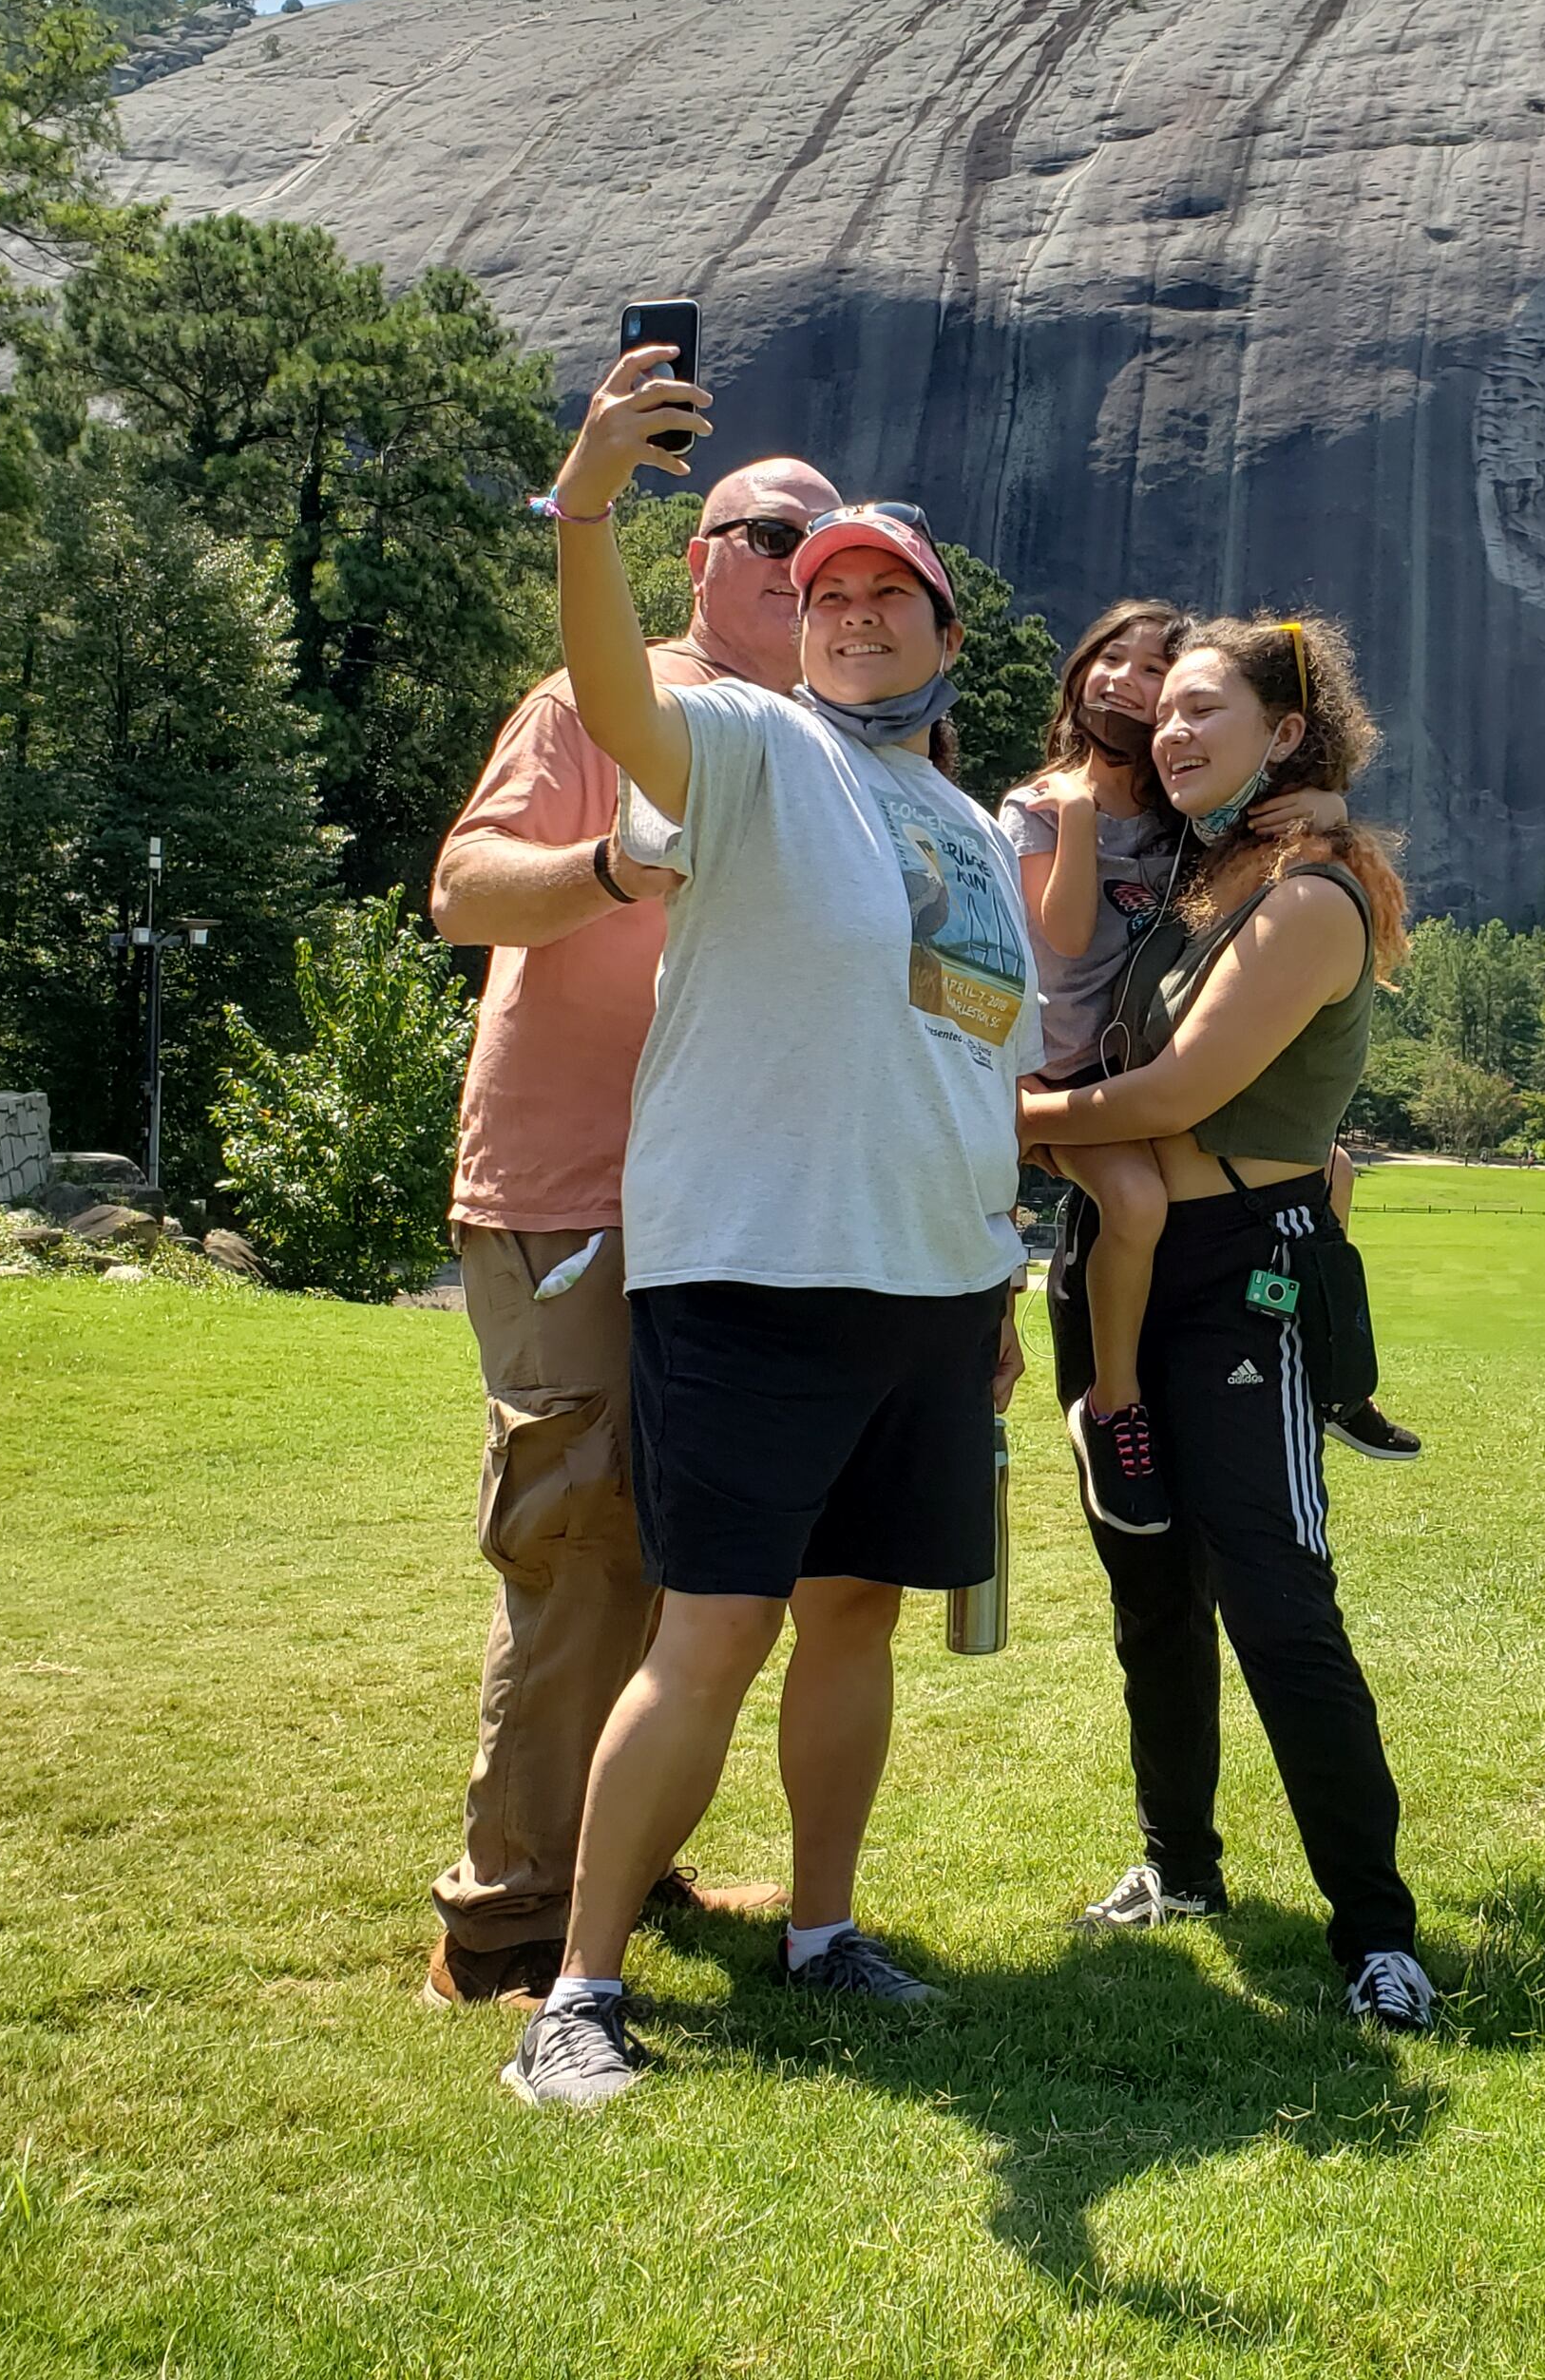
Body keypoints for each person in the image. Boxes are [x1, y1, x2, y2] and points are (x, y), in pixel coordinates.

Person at [504, 345, 1038, 2110]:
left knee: (859, 1621)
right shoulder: (741, 744)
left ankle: (825, 1933)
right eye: (831, 593)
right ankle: (577, 1992)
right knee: (711, 1630)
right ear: (795, 627)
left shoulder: (963, 824)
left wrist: (999, 1286)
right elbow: (611, 692)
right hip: (754, 1274)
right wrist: (588, 504)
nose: (859, 614)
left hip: (932, 1288)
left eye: (895, 594)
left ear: (949, 636)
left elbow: (973, 1065)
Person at [416, 453, 839, 2009]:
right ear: (701, 557)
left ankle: (622, 1861)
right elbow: (464, 889)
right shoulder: (598, 701)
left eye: (830, 543)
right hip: (570, 1192)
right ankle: (505, 1927)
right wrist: (608, 867)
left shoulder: (815, 750)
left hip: (724, 1215)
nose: (803, 568)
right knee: (581, 1547)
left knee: (683, 1557)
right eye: (775, 535)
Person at [1017, 613, 1440, 2031]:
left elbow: (1170, 1098)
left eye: (1210, 709)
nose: (1174, 731)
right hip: (1117, 1255)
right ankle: (1177, 1868)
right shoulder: (1205, 872)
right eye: (1167, 713)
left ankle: (1378, 1936)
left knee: (1275, 1600)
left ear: (1288, 735)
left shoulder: (1308, 896)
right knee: (1151, 1587)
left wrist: (989, 1117)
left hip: (1243, 1277)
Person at [1001, 605, 1423, 1520]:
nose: (1135, 694)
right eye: (1110, 661)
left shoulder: (1178, 824)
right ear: (1077, 677)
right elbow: (1064, 935)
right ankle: (1114, 1403)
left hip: (1130, 1097)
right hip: (1060, 1075)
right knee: (1138, 1202)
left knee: (1332, 1170)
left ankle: (1335, 1366)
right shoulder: (1044, 805)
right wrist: (1075, 815)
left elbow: (1251, 815)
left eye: (1159, 681)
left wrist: (1330, 805)